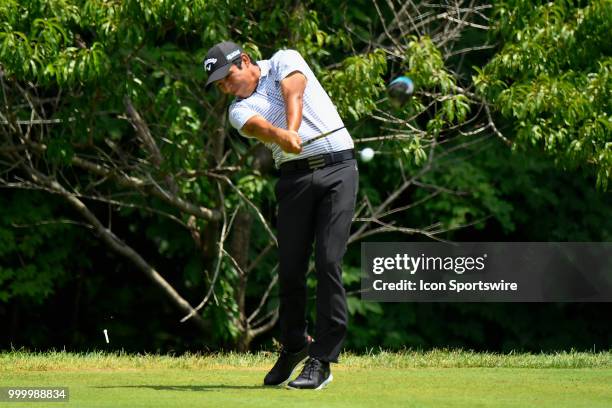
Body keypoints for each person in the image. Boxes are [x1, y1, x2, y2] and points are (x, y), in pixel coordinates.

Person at [204, 41, 358, 390]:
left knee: (329, 262)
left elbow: (295, 93)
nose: (226, 88)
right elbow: (260, 128)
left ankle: (322, 359)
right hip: (294, 181)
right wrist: (282, 136)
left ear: (244, 61)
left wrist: (292, 128)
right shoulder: (238, 110)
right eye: (220, 86)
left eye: (227, 77)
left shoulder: (284, 60)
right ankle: (293, 346)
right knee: (290, 270)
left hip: (339, 171)